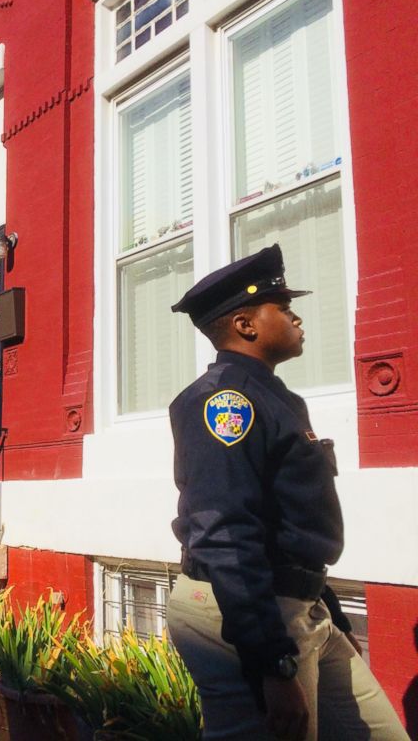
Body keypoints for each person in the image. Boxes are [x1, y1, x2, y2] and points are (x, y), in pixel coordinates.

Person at [167, 244, 408, 741]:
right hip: (243, 613)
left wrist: (328, 611)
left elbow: (292, 523)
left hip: (300, 606)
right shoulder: (225, 402)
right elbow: (225, 533)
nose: (298, 319)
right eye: (284, 308)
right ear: (246, 325)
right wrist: (272, 664)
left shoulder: (276, 399)